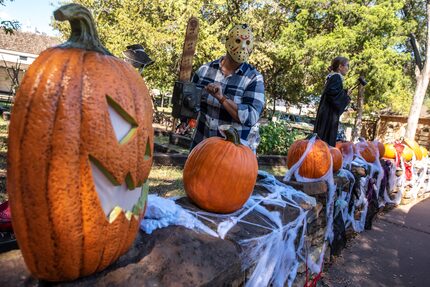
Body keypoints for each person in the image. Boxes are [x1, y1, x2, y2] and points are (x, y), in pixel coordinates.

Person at [190, 24, 265, 150]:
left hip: (233, 157)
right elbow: (190, 102)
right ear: (227, 41)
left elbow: (251, 117)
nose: (242, 46)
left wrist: (222, 98)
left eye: (247, 42)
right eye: (238, 41)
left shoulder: (253, 78)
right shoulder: (204, 71)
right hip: (201, 148)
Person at [313, 56, 352, 147]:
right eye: (347, 65)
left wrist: (344, 93)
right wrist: (346, 97)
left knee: (321, 138)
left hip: (325, 112)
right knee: (325, 141)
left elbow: (333, 92)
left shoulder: (332, 77)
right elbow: (333, 96)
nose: (348, 68)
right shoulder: (336, 77)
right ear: (340, 66)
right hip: (329, 115)